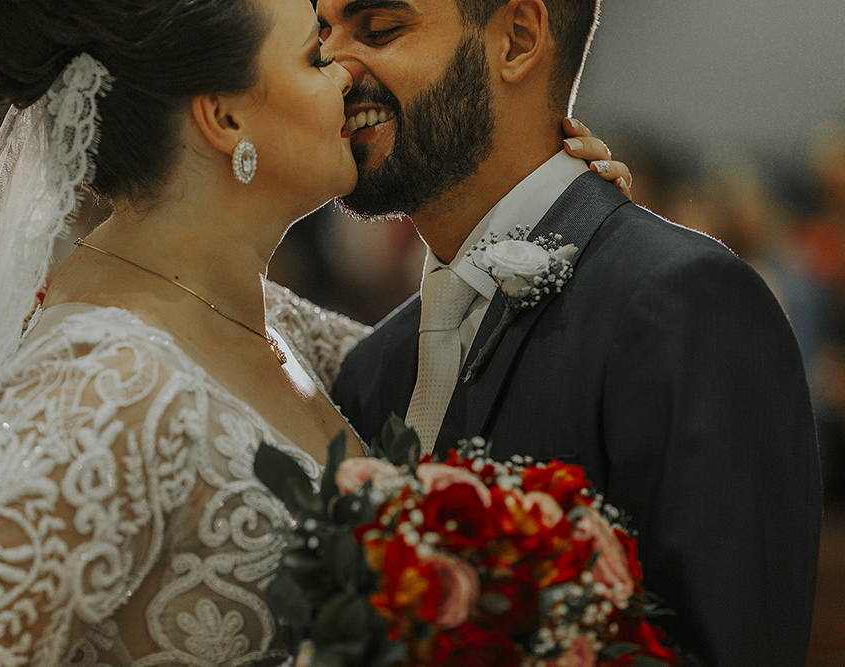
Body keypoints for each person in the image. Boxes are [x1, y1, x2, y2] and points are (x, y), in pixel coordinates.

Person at [0, 0, 625, 664]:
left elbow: (451, 365)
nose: (344, 74)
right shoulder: (102, 392)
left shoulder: (276, 325)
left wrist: (546, 205)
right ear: (225, 117)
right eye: (311, 51)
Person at [324, 0, 823, 664]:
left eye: (381, 30)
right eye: (321, 37)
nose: (332, 68)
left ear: (518, 39)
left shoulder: (685, 300)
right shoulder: (370, 365)